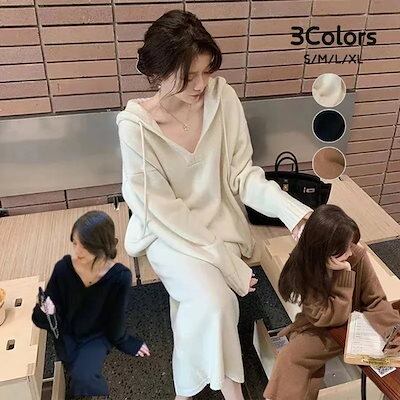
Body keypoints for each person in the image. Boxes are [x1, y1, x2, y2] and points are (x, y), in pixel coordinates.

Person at [116, 9, 312, 400]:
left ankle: (193, 387)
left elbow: (243, 176)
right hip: (168, 234)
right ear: (157, 73)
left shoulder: (223, 98)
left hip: (220, 225)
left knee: (203, 302)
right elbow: (164, 212)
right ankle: (230, 388)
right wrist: (225, 262)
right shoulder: (135, 127)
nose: (201, 84)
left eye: (207, 71)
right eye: (188, 76)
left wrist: (295, 214)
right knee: (215, 300)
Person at [263, 204, 400, 400]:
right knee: (291, 358)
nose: (350, 253)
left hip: (357, 323)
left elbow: (375, 299)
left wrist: (392, 330)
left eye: (351, 244)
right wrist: (344, 276)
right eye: (344, 249)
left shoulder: (356, 254)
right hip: (323, 326)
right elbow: (326, 318)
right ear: (324, 251)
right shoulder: (306, 266)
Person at [32, 210, 150, 398]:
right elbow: (41, 319)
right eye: (75, 243)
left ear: (101, 247)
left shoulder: (120, 277)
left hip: (96, 336)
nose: (77, 251)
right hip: (67, 332)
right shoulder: (63, 269)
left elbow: (115, 321)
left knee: (83, 377)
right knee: (71, 365)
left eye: (84, 245)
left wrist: (127, 343)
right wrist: (48, 311)